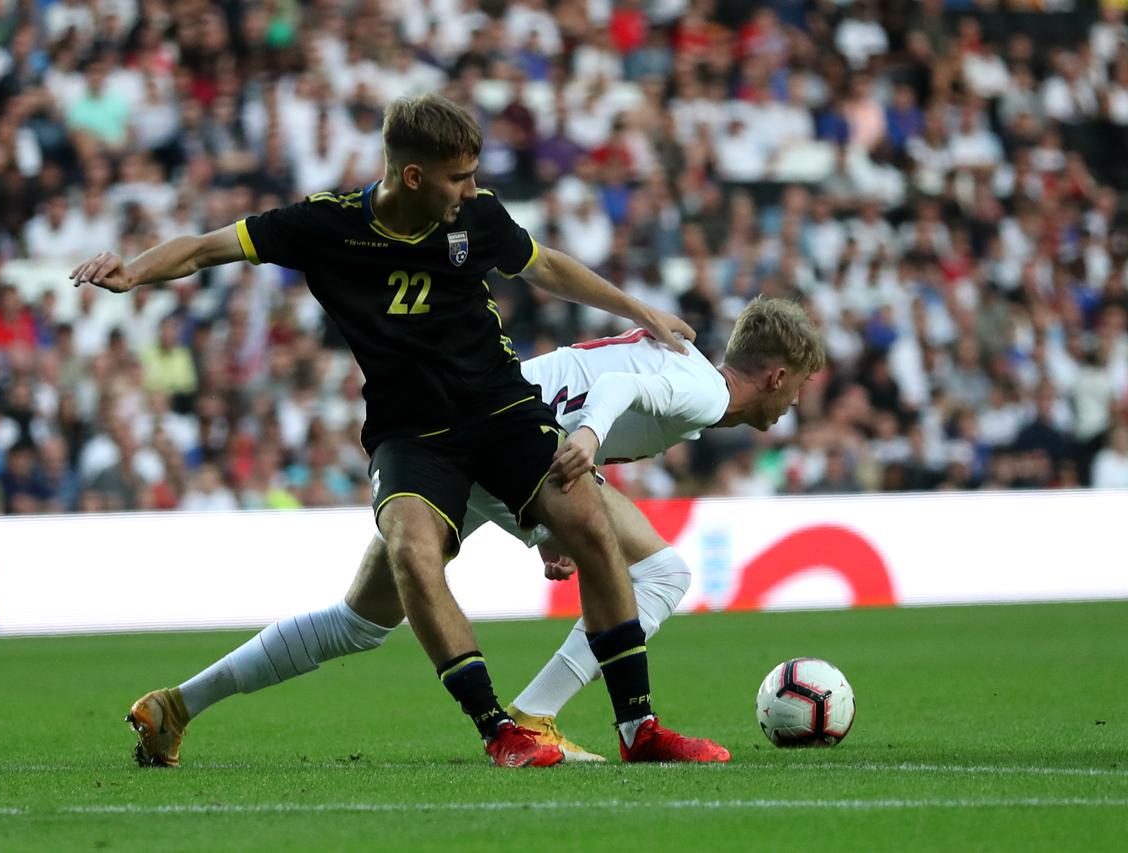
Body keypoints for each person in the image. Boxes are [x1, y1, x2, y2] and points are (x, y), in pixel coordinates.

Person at [72, 93, 714, 768]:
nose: (472, 190)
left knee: (587, 526)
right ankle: (500, 729)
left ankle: (638, 727)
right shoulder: (326, 225)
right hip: (412, 435)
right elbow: (208, 248)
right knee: (404, 559)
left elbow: (546, 265)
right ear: (413, 176)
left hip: (502, 412)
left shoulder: (479, 218)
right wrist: (136, 270)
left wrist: (637, 306)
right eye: (459, 177)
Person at [128, 297, 823, 763]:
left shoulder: (687, 367)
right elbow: (616, 394)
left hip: (470, 432)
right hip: (516, 435)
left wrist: (553, 522)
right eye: (799, 388)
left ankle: (178, 703)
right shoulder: (704, 388)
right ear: (778, 374)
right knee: (662, 572)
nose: (795, 404)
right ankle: (546, 715)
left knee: (358, 621)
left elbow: (596, 379)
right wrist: (582, 444)